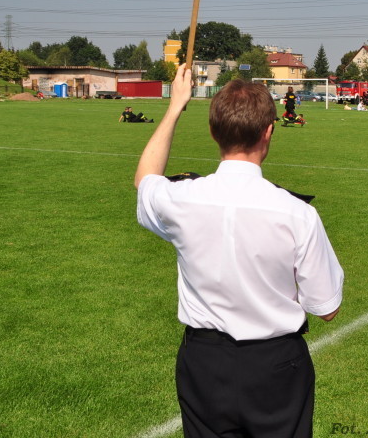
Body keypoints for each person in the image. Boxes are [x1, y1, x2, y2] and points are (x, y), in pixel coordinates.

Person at [134, 65, 343, 438]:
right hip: (275, 364)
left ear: (213, 132)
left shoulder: (181, 198)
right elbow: (326, 308)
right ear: (268, 132)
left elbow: (145, 180)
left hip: (204, 363)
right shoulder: (297, 213)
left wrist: (175, 107)